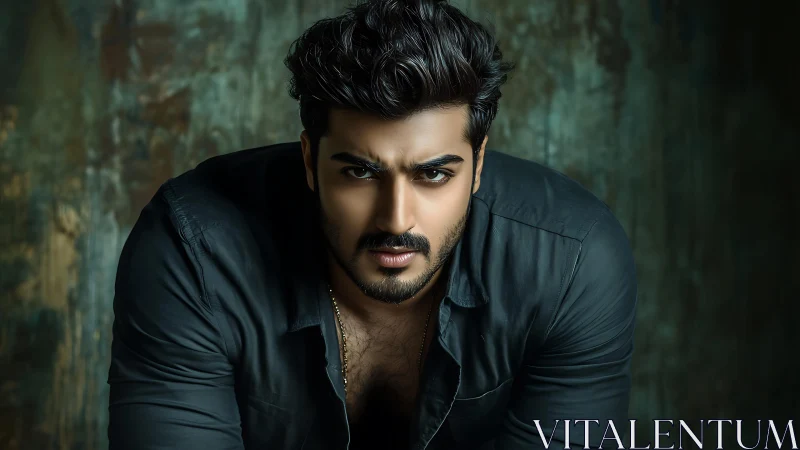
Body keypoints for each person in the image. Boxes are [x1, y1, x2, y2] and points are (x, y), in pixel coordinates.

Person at [106, 0, 638, 449]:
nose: (396, 218)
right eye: (360, 172)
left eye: (433, 175)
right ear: (310, 161)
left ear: (478, 165)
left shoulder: (571, 263)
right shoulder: (192, 251)